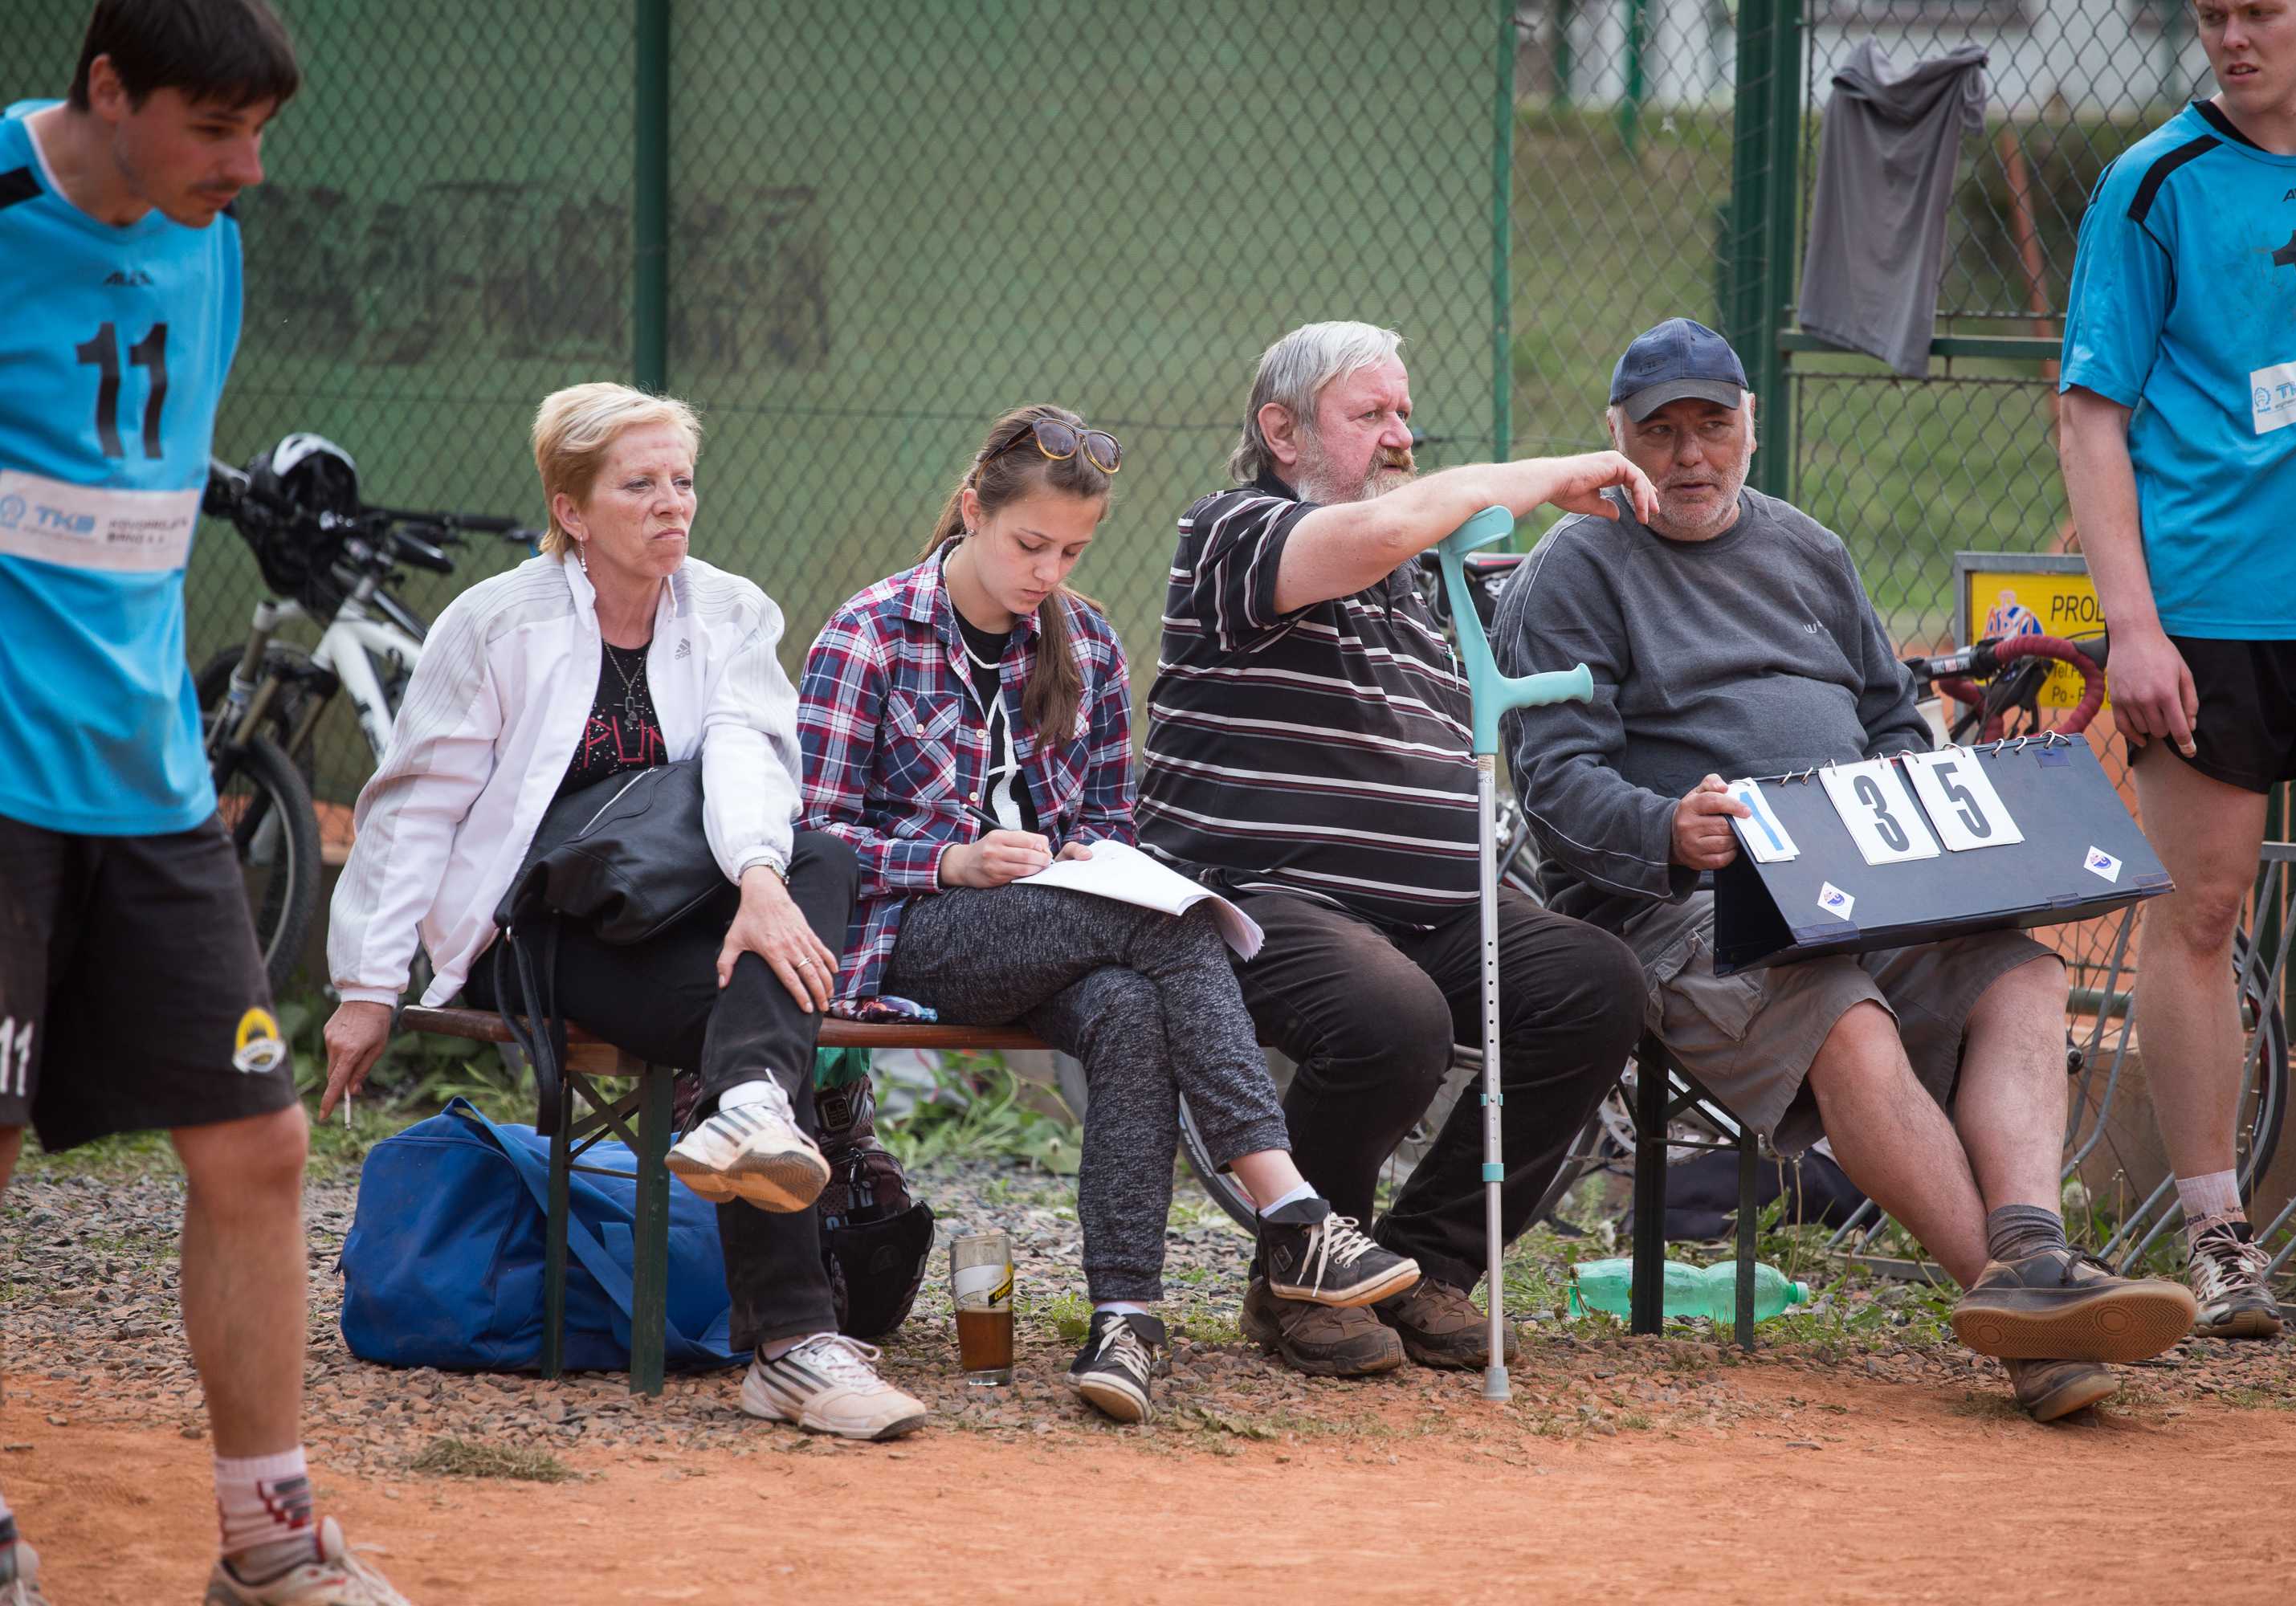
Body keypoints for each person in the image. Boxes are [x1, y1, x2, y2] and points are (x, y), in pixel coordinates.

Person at [1493, 317, 2198, 1422]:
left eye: (1712, 425)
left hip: (1864, 879)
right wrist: (1669, 827)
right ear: (1615, 436)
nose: (1689, 455)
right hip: (1690, 907)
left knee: (2022, 974)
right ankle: (2024, 1314)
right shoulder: (1575, 572)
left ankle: (2030, 1251)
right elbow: (1553, 781)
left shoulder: (1808, 549)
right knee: (1847, 1019)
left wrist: (1914, 791)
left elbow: (1891, 716)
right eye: (1661, 431)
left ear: (1751, 425)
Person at [0, 6, 414, 1601]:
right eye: (215, 129)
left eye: (261, 135)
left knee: (258, 1142)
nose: (245, 170)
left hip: (151, 776)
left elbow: (129, 468)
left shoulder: (204, 237)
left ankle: (269, 1541)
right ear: (109, 89)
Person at [320, 383, 930, 1444]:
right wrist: (367, 986)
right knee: (759, 1016)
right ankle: (792, 1340)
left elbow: (750, 758)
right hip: (540, 933)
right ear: (571, 509)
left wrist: (759, 878)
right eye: (639, 484)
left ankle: (748, 1112)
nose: (671, 504)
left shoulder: (730, 610)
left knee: (812, 865)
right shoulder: (497, 623)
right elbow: (415, 807)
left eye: (682, 481)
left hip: (683, 907)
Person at [796, 403, 1420, 1424]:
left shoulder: (1083, 637)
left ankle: (1126, 1318)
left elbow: (1109, 818)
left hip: (1060, 932)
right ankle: (1293, 1210)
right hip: (913, 934)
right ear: (972, 510)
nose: (1048, 571)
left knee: (1132, 1004)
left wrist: (1095, 853)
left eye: (1072, 550)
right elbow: (814, 836)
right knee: (1170, 926)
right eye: (1029, 543)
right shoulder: (870, 631)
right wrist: (950, 859)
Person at [1137, 322, 1654, 1379]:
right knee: (1392, 1015)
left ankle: (1425, 1265)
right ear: (1283, 432)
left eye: (1404, 413)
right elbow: (1388, 526)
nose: (1400, 436)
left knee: (1597, 984)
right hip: (1257, 897)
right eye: (1369, 413)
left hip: (1430, 910)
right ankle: (1298, 1277)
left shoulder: (1414, 584)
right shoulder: (1236, 531)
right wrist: (1553, 476)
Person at [2059, 0, 2296, 1339]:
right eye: (2211, 15)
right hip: (2211, 612)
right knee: (2202, 911)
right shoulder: (2155, 184)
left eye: (2259, 10)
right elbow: (2090, 415)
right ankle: (2219, 1237)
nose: (2231, 38)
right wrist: (2134, 627)